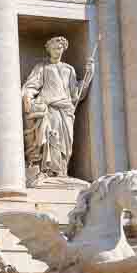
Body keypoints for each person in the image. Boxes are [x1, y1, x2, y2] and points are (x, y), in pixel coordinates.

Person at [21, 36, 95, 183]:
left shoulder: (69, 69)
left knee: (65, 144)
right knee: (50, 139)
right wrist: (28, 96)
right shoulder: (42, 67)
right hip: (49, 109)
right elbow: (31, 85)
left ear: (64, 49)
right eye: (54, 48)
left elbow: (75, 93)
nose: (57, 50)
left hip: (66, 110)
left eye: (60, 48)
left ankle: (62, 171)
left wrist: (88, 75)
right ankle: (47, 171)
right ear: (48, 49)